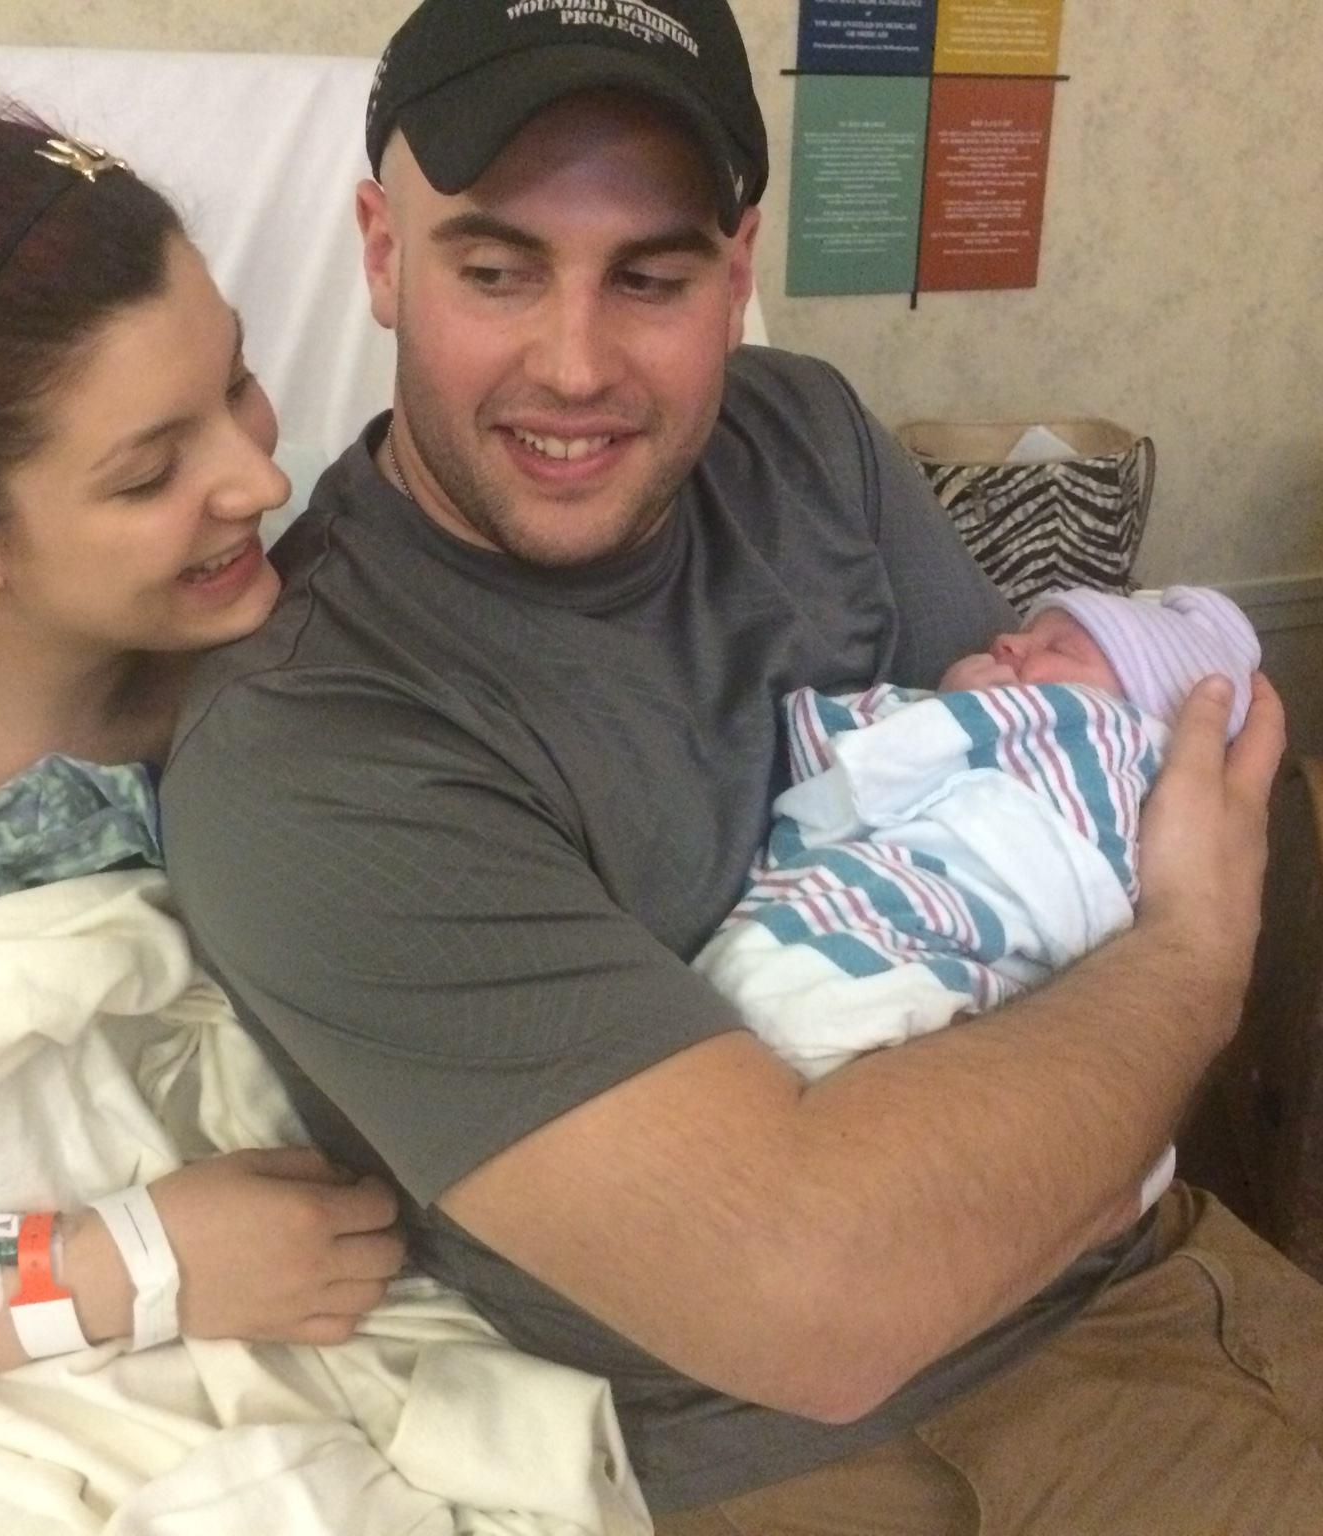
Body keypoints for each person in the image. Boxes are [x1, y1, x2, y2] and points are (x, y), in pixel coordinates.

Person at [161, 0, 1320, 1530]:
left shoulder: (807, 439)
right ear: (383, 254)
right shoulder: (315, 739)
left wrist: (1071, 1059)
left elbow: (1067, 805)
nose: (576, 365)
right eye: (497, 271)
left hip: (1122, 1300)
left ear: (738, 270)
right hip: (760, 1449)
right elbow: (816, 1299)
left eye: (652, 277)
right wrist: (1195, 956)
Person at [0, 66, 403, 1429]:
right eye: (148, 473)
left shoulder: (313, 633)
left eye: (238, 381)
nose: (259, 479)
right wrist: (124, 1264)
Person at [699, 586, 1261, 1091]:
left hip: (1029, 915)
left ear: (1146, 702)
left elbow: (865, 755)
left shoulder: (1109, 735)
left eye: (1058, 647)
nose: (1007, 641)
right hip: (937, 890)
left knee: (786, 991)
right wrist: (947, 708)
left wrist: (952, 712)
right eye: (1025, 632)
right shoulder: (1014, 716)